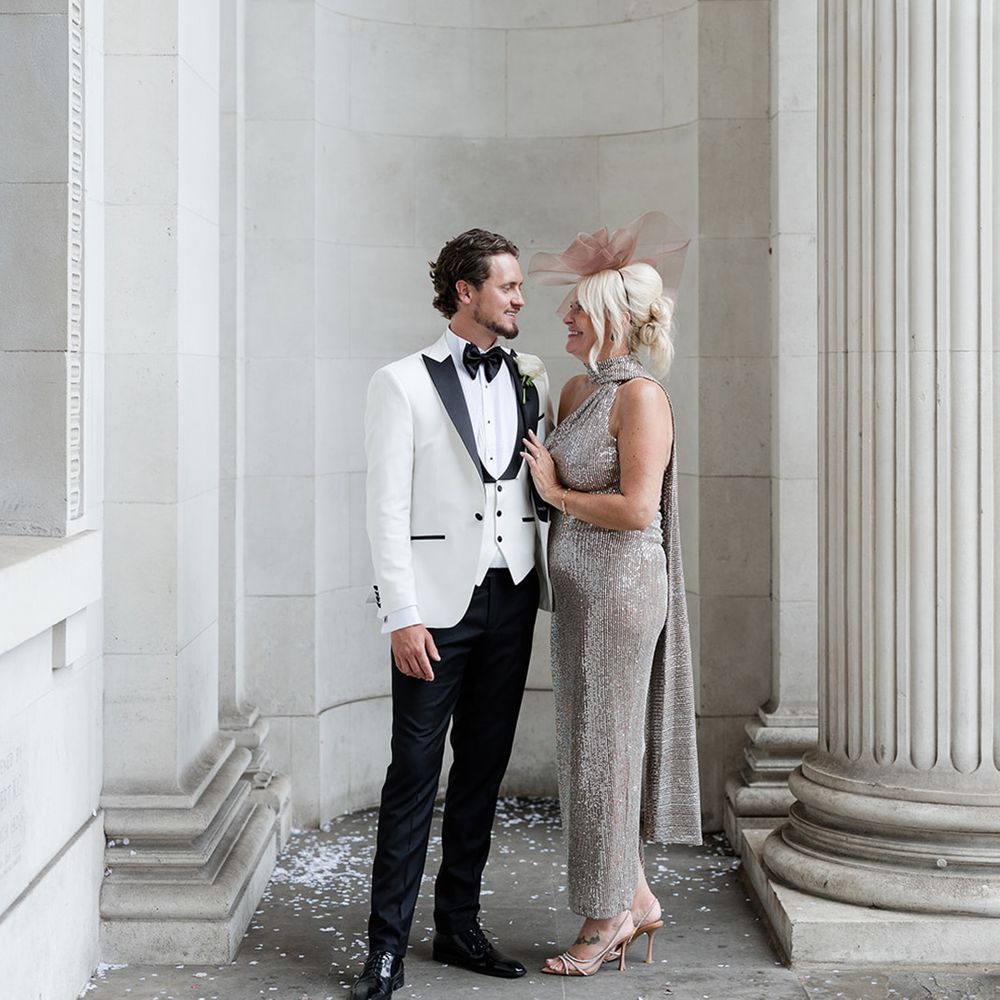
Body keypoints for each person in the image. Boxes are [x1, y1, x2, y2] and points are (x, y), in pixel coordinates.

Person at [350, 228, 552, 1000]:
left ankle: (459, 925)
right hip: (433, 608)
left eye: (519, 286)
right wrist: (400, 616)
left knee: (482, 769)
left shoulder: (527, 377)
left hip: (513, 595)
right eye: (508, 286)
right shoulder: (400, 383)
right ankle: (385, 951)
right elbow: (385, 510)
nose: (520, 299)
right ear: (466, 291)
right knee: (413, 773)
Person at [520, 212, 701, 977]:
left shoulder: (642, 399)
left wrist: (558, 494)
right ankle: (638, 898)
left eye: (578, 308)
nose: (564, 316)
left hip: (622, 594)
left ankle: (604, 921)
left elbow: (635, 509)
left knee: (604, 752)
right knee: (588, 747)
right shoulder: (575, 389)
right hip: (580, 597)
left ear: (612, 321)